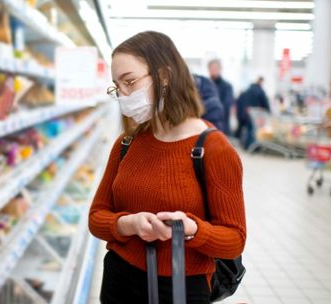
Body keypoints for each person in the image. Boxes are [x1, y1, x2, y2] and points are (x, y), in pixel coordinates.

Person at [90, 31, 246, 304]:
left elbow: (234, 239)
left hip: (181, 287)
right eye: (117, 86)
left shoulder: (213, 149)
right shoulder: (126, 144)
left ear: (164, 76)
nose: (124, 95)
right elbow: (96, 217)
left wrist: (192, 229)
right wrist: (128, 223)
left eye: (130, 82)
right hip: (119, 279)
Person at [235, 77, 270, 149]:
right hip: (256, 114)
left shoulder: (246, 90)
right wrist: (269, 111)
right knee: (254, 131)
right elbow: (265, 102)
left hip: (245, 113)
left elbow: (239, 101)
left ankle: (246, 145)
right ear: (261, 82)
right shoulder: (260, 91)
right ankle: (252, 146)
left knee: (248, 130)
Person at [208, 59, 235, 136]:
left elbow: (226, 105)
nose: (214, 71)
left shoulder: (227, 86)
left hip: (222, 125)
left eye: (216, 69)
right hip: (206, 126)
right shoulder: (204, 85)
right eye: (212, 69)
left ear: (220, 69)